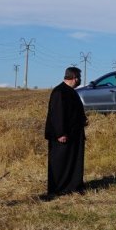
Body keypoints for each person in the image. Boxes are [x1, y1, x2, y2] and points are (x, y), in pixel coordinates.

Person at [44, 66, 87, 197]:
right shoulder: (59, 92)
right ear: (74, 78)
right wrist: (60, 133)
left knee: (74, 161)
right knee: (60, 162)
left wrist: (83, 120)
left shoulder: (71, 92)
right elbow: (57, 114)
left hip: (74, 134)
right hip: (63, 135)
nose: (80, 80)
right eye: (79, 77)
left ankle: (73, 186)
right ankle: (58, 188)